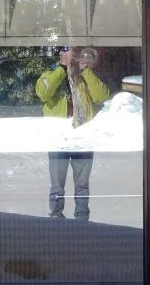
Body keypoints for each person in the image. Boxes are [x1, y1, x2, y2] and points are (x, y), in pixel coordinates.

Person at [35, 46, 109, 220]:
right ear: (59, 56)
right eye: (64, 53)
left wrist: (85, 71)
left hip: (82, 135)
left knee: (82, 184)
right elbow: (43, 93)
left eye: (72, 54)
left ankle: (82, 218)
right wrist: (61, 69)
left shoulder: (84, 76)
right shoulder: (49, 73)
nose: (69, 57)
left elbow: (102, 97)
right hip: (58, 136)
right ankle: (55, 216)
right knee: (56, 185)